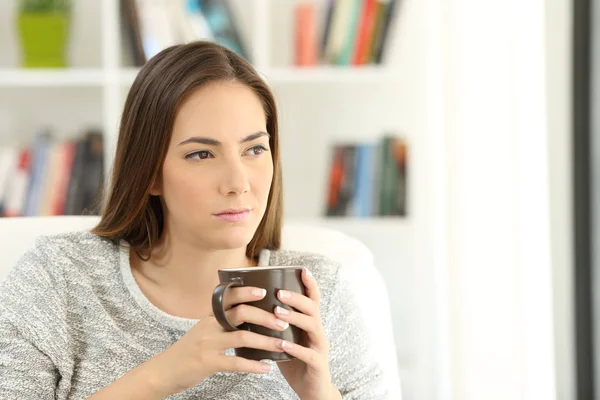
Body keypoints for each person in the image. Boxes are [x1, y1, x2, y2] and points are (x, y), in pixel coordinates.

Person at [0, 41, 389, 399]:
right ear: (150, 172)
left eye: (254, 148)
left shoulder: (321, 293)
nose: (238, 183)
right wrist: (165, 373)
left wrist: (320, 394)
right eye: (202, 155)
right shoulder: (60, 277)